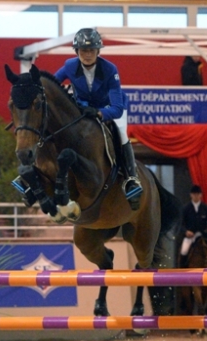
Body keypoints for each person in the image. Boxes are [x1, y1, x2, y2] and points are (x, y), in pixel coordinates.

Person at [55, 28, 142, 209]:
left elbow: (117, 108)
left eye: (91, 50)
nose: (87, 55)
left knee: (121, 133)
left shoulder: (110, 69)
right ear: (76, 51)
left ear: (98, 51)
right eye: (83, 51)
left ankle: (130, 179)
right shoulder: (70, 66)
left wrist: (100, 113)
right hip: (84, 110)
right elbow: (51, 82)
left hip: (108, 108)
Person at [180, 185, 207, 264]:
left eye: (198, 194)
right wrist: (186, 231)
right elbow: (180, 224)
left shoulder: (206, 208)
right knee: (184, 251)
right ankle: (181, 271)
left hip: (205, 236)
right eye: (194, 194)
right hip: (191, 236)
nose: (196, 196)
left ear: (201, 195)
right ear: (191, 195)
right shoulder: (185, 208)